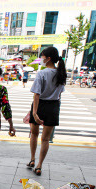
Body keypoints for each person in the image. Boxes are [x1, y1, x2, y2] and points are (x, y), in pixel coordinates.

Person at [27, 46, 66, 176]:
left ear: (48, 58)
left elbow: (36, 94)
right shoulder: (61, 73)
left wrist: (34, 113)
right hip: (53, 106)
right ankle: (39, 165)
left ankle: (32, 159)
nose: (41, 59)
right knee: (45, 139)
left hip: (40, 105)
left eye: (42, 56)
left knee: (34, 134)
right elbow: (59, 94)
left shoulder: (42, 73)